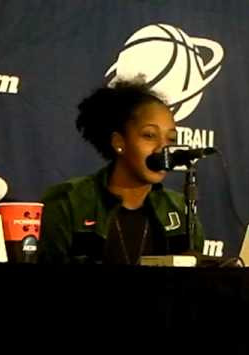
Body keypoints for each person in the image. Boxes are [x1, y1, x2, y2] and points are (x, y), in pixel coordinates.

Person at [38, 78, 204, 264]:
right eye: (149, 135)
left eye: (171, 139)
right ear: (119, 142)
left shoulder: (180, 209)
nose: (162, 149)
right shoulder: (67, 201)